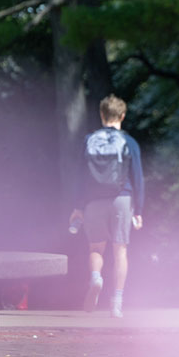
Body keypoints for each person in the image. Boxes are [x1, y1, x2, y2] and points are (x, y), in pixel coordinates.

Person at [69, 94, 144, 318]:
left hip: (93, 201)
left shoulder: (89, 140)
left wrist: (78, 206)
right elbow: (138, 177)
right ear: (122, 115)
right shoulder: (129, 142)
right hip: (122, 199)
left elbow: (80, 176)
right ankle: (117, 303)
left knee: (96, 248)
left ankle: (95, 279)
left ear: (101, 115)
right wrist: (138, 210)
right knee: (120, 250)